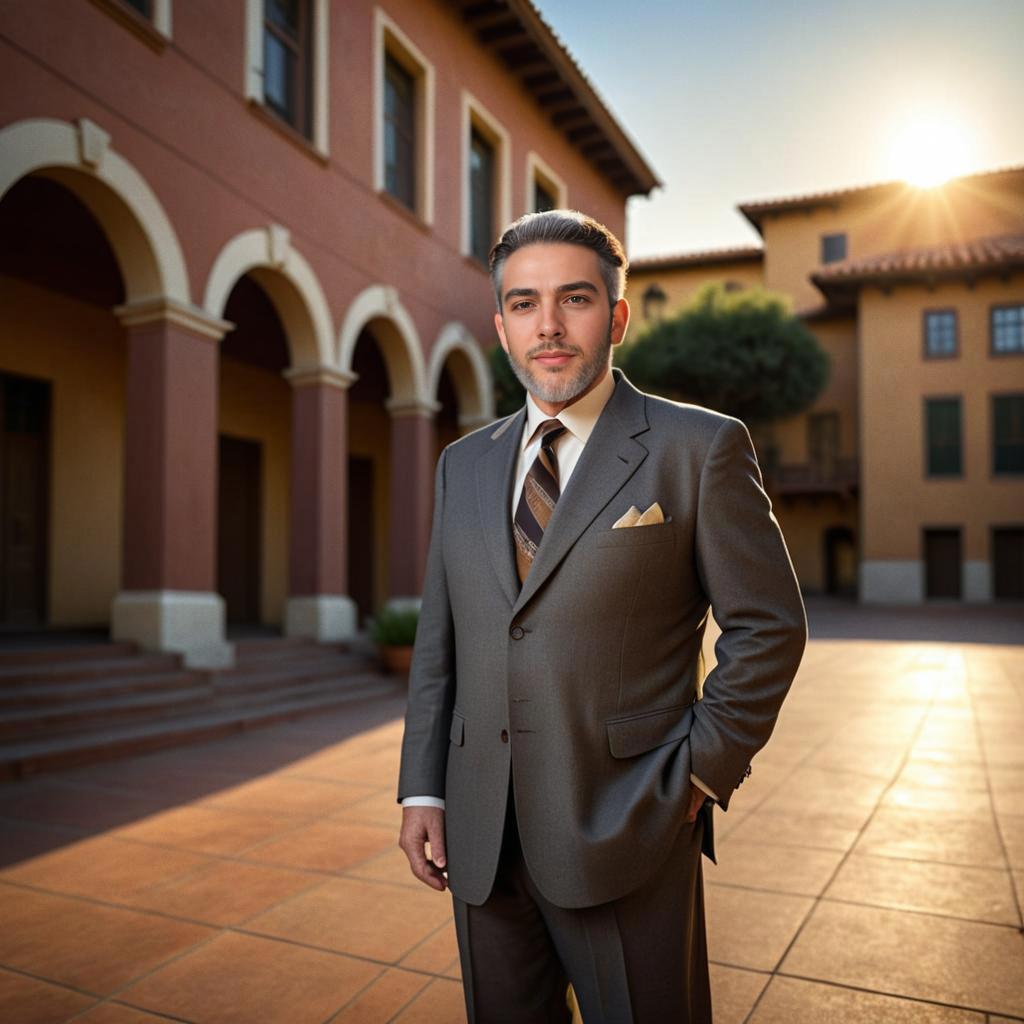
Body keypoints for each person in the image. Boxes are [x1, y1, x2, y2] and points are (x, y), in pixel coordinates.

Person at [398, 209, 806, 1023]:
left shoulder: (699, 448)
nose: (547, 326)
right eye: (523, 304)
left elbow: (768, 626)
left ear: (615, 316)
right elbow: (442, 640)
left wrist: (696, 774)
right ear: (502, 327)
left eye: (574, 299)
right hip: (483, 835)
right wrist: (423, 791)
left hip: (627, 824)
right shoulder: (463, 464)